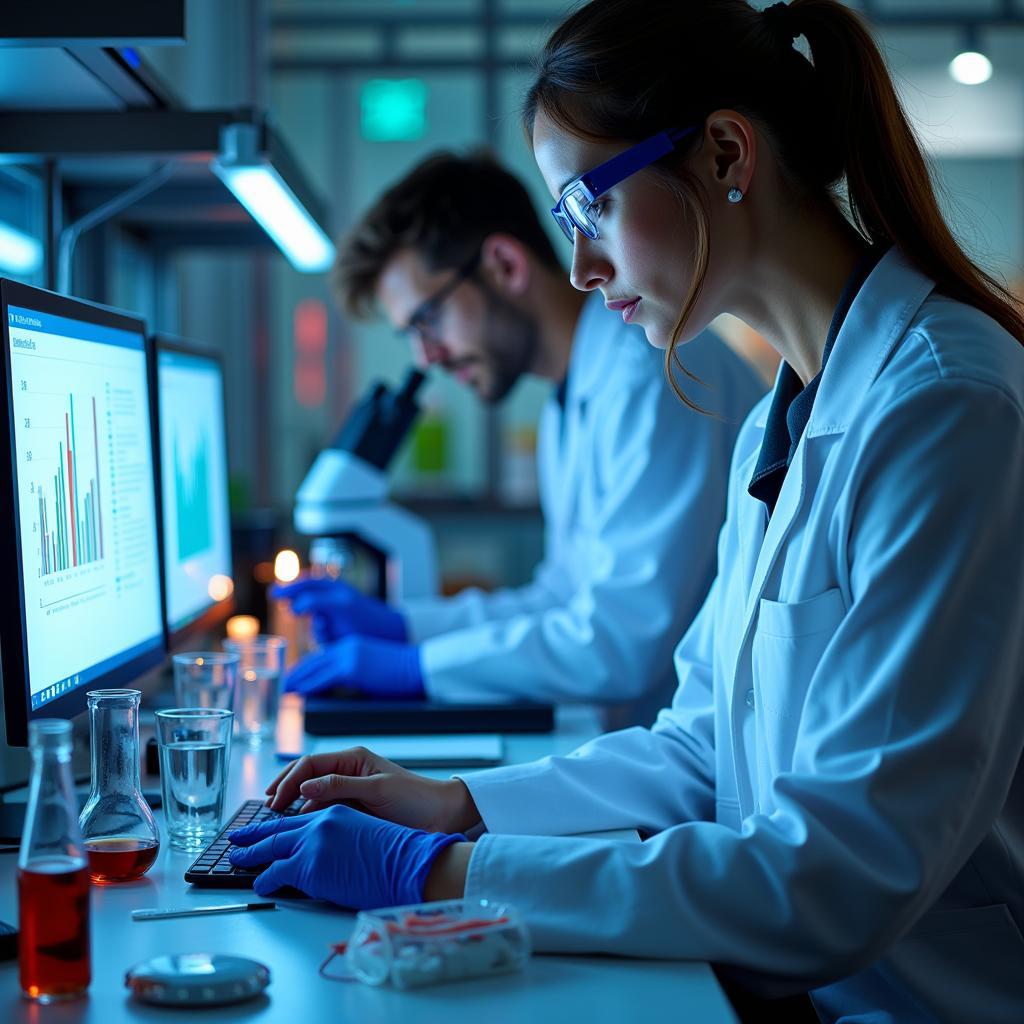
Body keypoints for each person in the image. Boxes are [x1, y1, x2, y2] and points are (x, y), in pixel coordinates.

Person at [229, 2, 1024, 1021]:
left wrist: (441, 871)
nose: (578, 267)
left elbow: (838, 873)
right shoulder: (786, 418)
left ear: (726, 153)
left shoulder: (946, 406)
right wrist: (454, 806)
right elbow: (700, 746)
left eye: (588, 207)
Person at [275, 151, 764, 727]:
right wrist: (410, 628)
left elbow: (616, 641)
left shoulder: (648, 374)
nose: (426, 357)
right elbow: (561, 598)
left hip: (696, 766)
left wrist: (417, 667)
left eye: (427, 321)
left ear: (505, 265)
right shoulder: (570, 399)